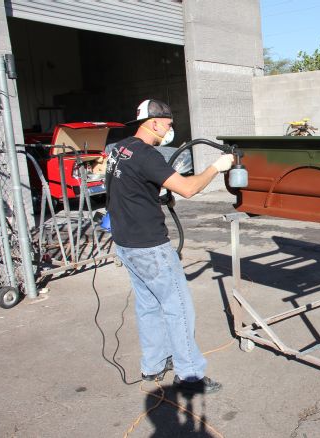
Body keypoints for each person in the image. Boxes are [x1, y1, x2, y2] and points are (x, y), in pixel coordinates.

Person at [106, 99, 234, 394]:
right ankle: (189, 376)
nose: (171, 128)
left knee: (149, 307)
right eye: (168, 123)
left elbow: (125, 188)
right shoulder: (147, 155)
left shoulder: (121, 150)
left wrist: (158, 195)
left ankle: (152, 367)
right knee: (179, 309)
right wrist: (217, 166)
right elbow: (189, 189)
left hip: (126, 243)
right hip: (150, 247)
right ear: (153, 122)